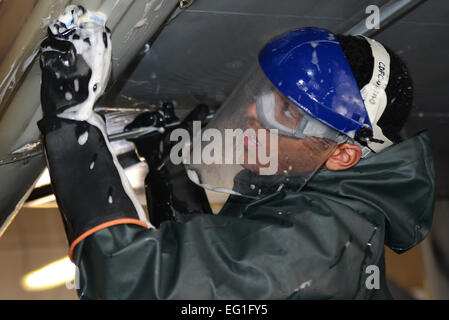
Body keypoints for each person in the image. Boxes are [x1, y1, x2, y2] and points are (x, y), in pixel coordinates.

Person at [38, 6, 435, 299]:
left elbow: (128, 281)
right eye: (266, 94)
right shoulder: (319, 215)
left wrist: (72, 121)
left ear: (342, 155)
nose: (252, 111)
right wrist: (170, 171)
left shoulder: (312, 250)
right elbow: (219, 272)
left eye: (287, 112)